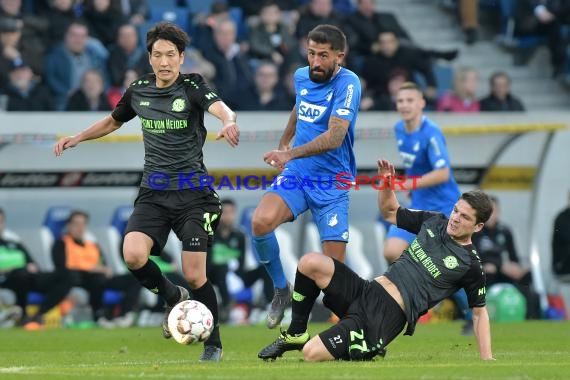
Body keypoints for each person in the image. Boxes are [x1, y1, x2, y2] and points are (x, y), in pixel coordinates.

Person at [53, 22, 240, 362]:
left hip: (193, 196)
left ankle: (213, 343)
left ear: (181, 58)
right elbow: (113, 120)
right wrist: (78, 137)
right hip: (153, 193)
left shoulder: (192, 85)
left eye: (171, 55)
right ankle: (173, 296)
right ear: (150, 58)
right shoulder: (138, 89)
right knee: (134, 256)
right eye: (158, 55)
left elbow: (219, 108)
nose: (164, 62)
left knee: (197, 273)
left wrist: (227, 121)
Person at [258, 160, 494, 362]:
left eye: (464, 217)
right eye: (456, 211)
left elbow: (479, 313)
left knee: (311, 353)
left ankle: (368, 346)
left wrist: (486, 358)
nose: (455, 218)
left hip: (384, 317)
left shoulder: (470, 264)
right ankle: (297, 331)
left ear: (478, 226)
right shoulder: (436, 222)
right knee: (309, 262)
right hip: (367, 290)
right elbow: (390, 212)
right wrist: (387, 184)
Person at [250, 24, 361, 329]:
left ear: (340, 56)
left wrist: (289, 154)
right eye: (311, 53)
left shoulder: (348, 84)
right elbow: (300, 107)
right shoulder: (302, 76)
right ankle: (280, 290)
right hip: (299, 175)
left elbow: (335, 137)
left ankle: (356, 326)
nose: (315, 62)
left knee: (334, 274)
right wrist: (285, 141)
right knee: (260, 222)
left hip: (331, 183)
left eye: (323, 55)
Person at [383, 82, 473, 334]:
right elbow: (416, 167)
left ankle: (472, 310)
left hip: (444, 207)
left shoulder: (431, 132)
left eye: (410, 100)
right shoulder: (399, 129)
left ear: (422, 103)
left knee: (445, 266)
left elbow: (443, 173)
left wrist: (409, 183)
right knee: (391, 250)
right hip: (419, 204)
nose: (404, 106)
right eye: (400, 101)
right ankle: (415, 298)